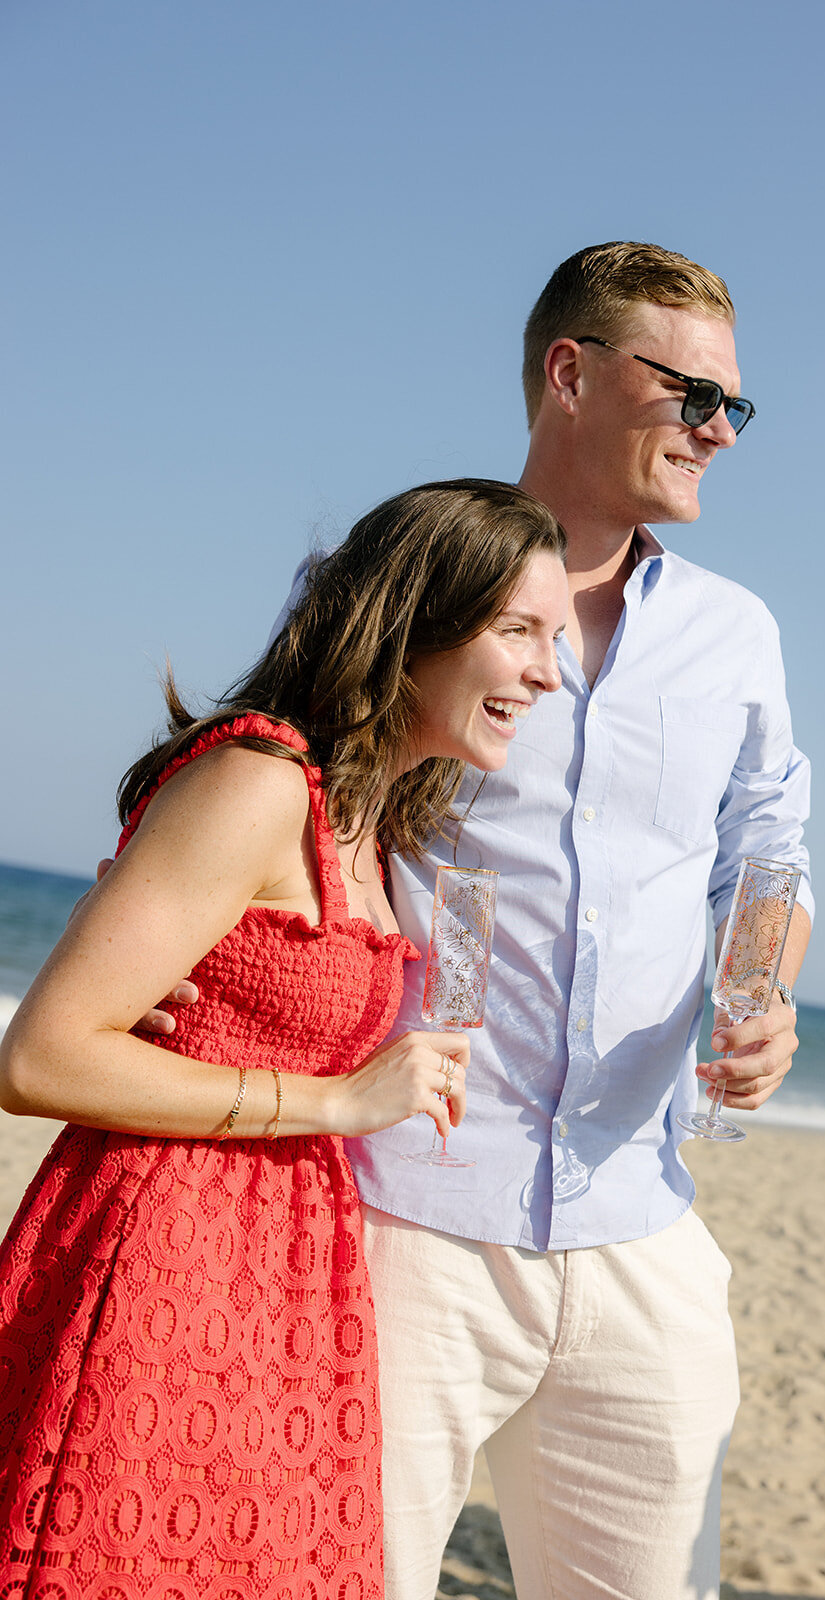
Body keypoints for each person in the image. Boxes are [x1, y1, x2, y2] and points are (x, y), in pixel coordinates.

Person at [133, 241, 814, 1598]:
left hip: (640, 1221)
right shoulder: (395, 582)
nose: (717, 431)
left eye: (734, 405)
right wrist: (192, 985)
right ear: (569, 373)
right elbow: (280, 802)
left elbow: (768, 855)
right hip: (408, 1217)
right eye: (691, 395)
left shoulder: (734, 635)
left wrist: (761, 995)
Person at [0, 480, 569, 1598]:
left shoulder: (383, 824)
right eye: (517, 631)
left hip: (288, 1279)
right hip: (160, 1256)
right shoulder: (257, 781)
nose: (547, 671)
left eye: (554, 639)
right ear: (416, 623)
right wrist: (334, 1101)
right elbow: (39, 1056)